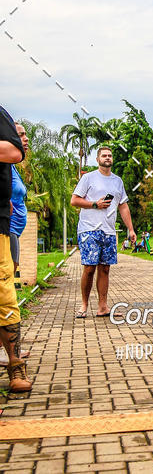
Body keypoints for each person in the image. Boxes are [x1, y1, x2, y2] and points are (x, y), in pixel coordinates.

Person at [71, 146, 136, 318]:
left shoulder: (117, 181)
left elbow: (123, 206)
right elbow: (74, 200)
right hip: (89, 229)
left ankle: (103, 307)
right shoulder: (88, 178)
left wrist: (130, 229)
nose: (107, 158)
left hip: (108, 231)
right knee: (89, 268)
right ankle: (84, 305)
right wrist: (95, 204)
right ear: (98, 159)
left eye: (110, 155)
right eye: (104, 155)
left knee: (105, 269)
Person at [0, 105, 31, 391]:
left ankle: (15, 364)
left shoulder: (1, 115)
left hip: (3, 226)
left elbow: (13, 152)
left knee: (5, 292)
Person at [10, 124, 29, 277]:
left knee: (11, 269)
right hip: (7, 228)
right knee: (7, 271)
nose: (26, 139)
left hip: (15, 230)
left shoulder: (12, 167)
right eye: (21, 135)